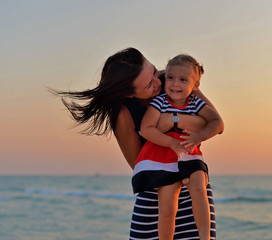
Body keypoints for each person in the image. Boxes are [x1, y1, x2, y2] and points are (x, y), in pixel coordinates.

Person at [51, 48, 224, 239]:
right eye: (149, 85)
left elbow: (216, 124)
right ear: (130, 94)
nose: (160, 82)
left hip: (194, 190)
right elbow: (138, 163)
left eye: (154, 72)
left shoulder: (178, 78)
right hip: (156, 194)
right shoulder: (123, 115)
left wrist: (173, 120)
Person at [132, 54, 221, 240]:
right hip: (164, 157)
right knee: (167, 208)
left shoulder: (196, 103)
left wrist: (199, 137)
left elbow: (216, 122)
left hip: (190, 153)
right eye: (170, 78)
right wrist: (171, 142)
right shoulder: (160, 102)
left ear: (195, 85)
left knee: (199, 189)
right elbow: (145, 129)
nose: (175, 84)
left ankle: (205, 237)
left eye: (183, 80)